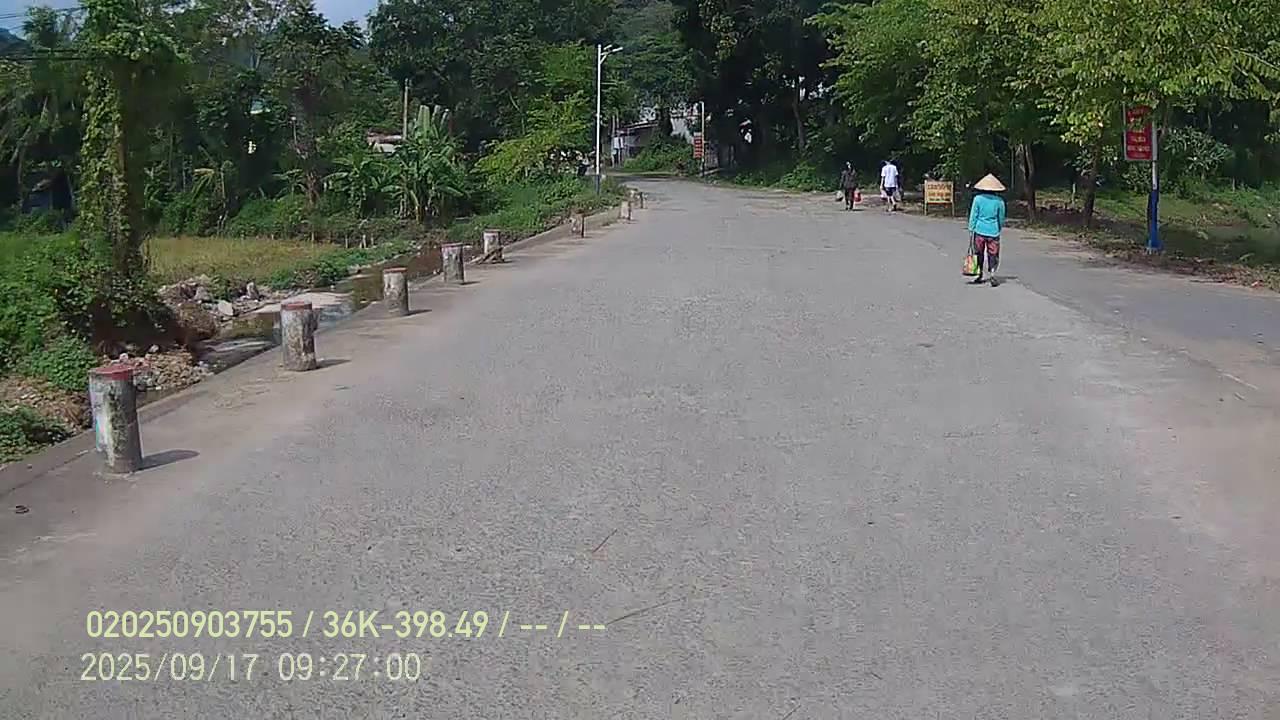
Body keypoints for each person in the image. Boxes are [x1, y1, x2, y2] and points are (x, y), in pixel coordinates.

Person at [968, 173, 1008, 286]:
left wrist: (971, 228)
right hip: (993, 231)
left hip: (979, 230)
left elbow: (973, 215)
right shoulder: (999, 201)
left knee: (978, 252)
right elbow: (1001, 217)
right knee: (993, 253)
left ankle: (979, 274)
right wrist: (999, 227)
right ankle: (992, 274)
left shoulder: (977, 199)